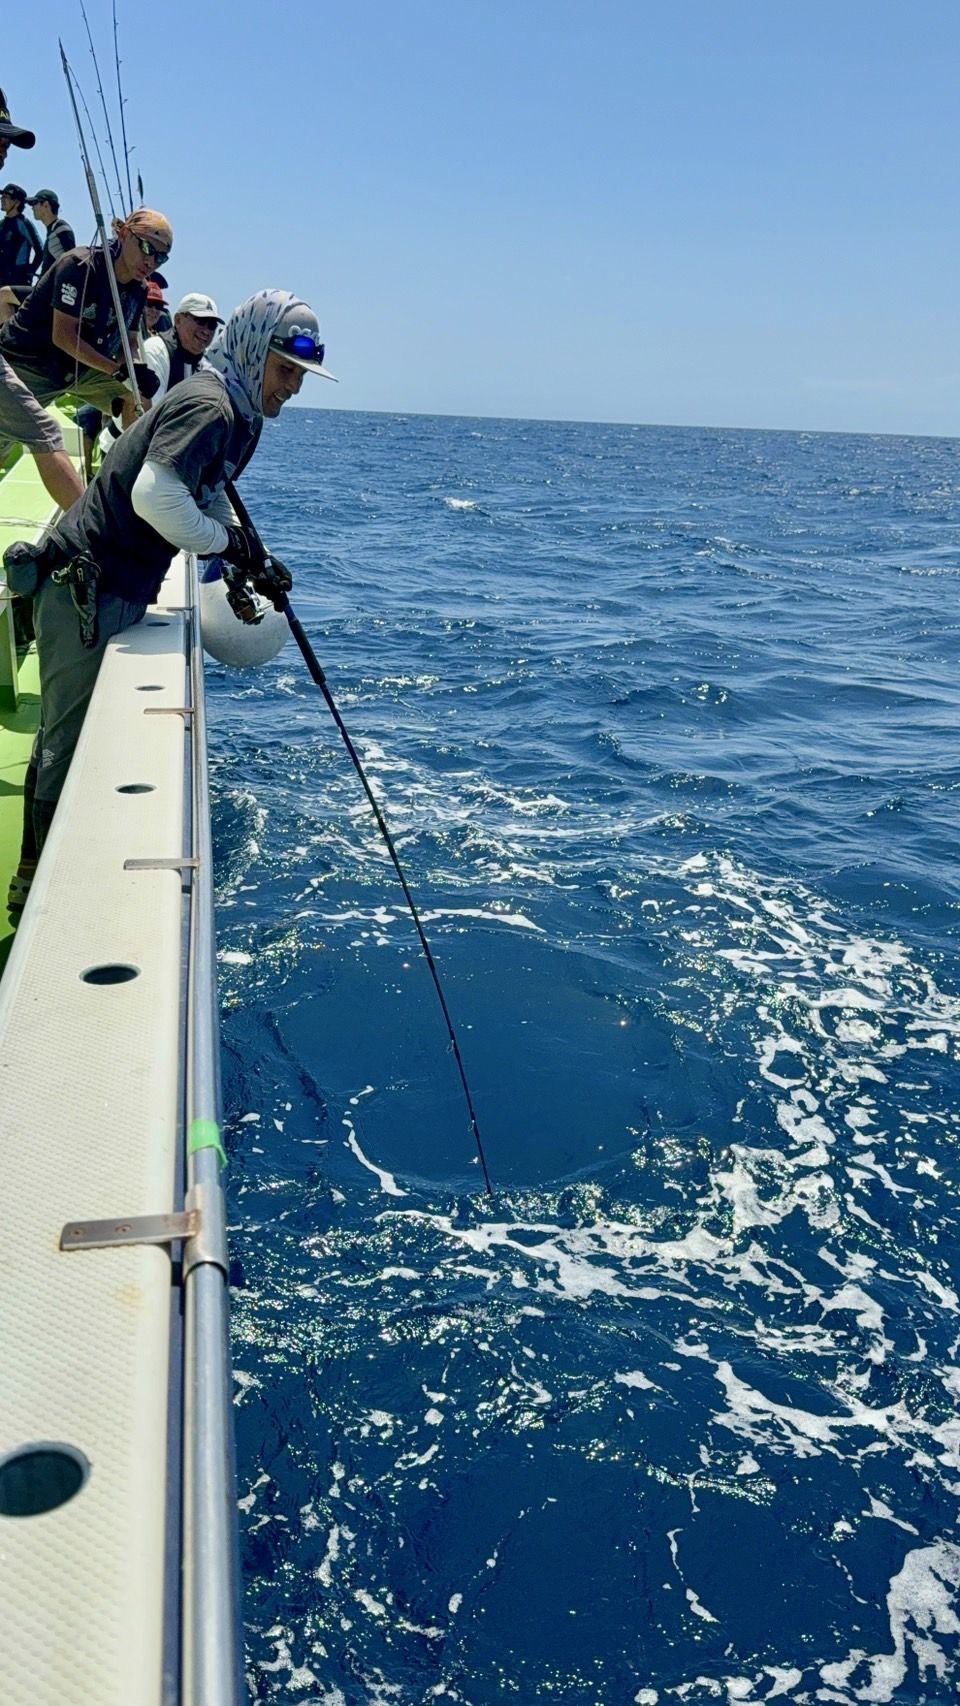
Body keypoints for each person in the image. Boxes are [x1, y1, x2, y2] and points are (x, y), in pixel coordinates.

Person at [3, 290, 336, 899]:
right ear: (253, 350)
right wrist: (230, 545)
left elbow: (205, 494)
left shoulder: (241, 416)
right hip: (85, 588)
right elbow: (156, 496)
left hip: (118, 589)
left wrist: (249, 557)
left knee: (74, 739)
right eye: (286, 370)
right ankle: (34, 880)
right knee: (63, 743)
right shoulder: (210, 406)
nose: (293, 387)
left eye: (301, 375)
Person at [0, 206, 173, 472]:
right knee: (6, 443)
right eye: (147, 248)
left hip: (79, 368)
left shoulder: (138, 290)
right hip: (31, 362)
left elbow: (129, 340)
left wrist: (135, 369)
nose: (151, 261)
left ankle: (131, 478)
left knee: (136, 398)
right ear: (124, 234)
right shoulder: (79, 266)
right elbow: (64, 336)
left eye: (161, 257)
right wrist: (116, 370)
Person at [0, 87, 82, 513]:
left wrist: (33, 282)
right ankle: (99, 539)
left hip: (32, 295)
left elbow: (54, 264)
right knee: (43, 431)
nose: (5, 151)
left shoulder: (53, 232)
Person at [142, 291, 223, 405]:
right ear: (178, 320)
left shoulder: (209, 365)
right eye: (201, 321)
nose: (206, 331)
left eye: (212, 325)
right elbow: (149, 410)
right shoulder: (156, 350)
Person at [0, 182, 41, 288]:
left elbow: (40, 250)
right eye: (2, 196)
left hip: (17, 281)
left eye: (6, 197)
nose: (2, 199)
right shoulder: (2, 225)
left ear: (17, 202)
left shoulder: (23, 224)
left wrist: (30, 271)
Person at [27, 189, 76, 274]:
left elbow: (70, 265)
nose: (32, 208)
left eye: (35, 203)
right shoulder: (54, 229)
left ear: (46, 205)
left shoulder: (60, 229)